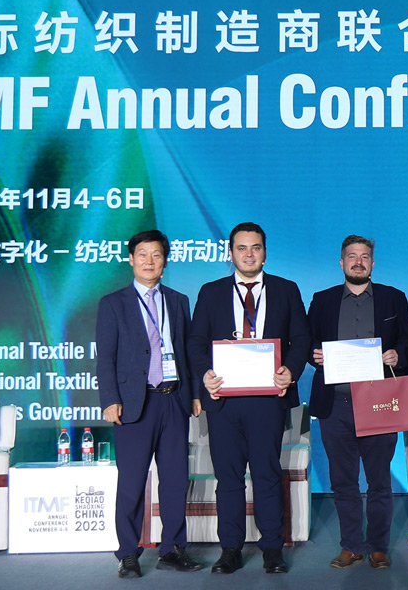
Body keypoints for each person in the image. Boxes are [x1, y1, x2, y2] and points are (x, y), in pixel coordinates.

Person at [187, 222, 311, 575]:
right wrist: (204, 374)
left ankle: (272, 548)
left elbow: (302, 338)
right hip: (223, 399)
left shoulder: (286, 289)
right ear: (231, 253)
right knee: (228, 478)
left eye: (255, 247)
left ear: (265, 252)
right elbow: (196, 342)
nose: (249, 254)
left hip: (268, 399)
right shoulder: (211, 292)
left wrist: (290, 370)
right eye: (241, 248)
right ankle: (230, 549)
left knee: (267, 474)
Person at [95, 229, 204, 578]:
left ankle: (172, 548)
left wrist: (195, 394)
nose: (149, 261)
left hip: (174, 400)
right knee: (131, 483)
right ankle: (128, 553)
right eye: (142, 254)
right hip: (134, 403)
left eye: (156, 255)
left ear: (165, 261)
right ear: (131, 259)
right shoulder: (113, 303)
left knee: (174, 480)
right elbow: (105, 357)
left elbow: (186, 351)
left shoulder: (178, 300)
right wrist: (110, 399)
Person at [307, 235, 408, 570]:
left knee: (379, 481)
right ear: (342, 263)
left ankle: (378, 546)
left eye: (364, 256)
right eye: (352, 256)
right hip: (336, 404)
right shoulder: (322, 300)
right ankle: (351, 545)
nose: (358, 262)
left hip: (379, 403)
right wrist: (313, 355)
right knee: (343, 481)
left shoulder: (393, 298)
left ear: (372, 263)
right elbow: (307, 342)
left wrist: (399, 354)